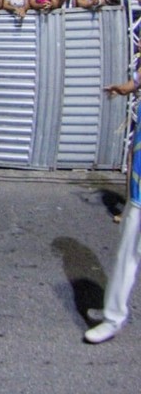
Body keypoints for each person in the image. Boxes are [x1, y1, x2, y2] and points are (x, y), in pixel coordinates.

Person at [85, 72, 141, 343]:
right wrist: (122, 88)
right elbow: (138, 81)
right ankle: (113, 316)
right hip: (139, 188)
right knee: (126, 253)